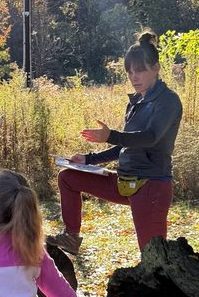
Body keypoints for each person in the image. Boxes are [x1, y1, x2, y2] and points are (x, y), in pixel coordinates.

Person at [53, 31, 183, 254]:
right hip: (125, 182)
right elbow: (127, 144)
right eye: (130, 71)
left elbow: (150, 138)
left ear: (156, 68)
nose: (134, 77)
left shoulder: (168, 101)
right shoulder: (136, 102)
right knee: (68, 178)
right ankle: (71, 237)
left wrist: (110, 135)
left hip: (151, 185)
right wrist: (88, 159)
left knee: (153, 256)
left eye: (140, 70)